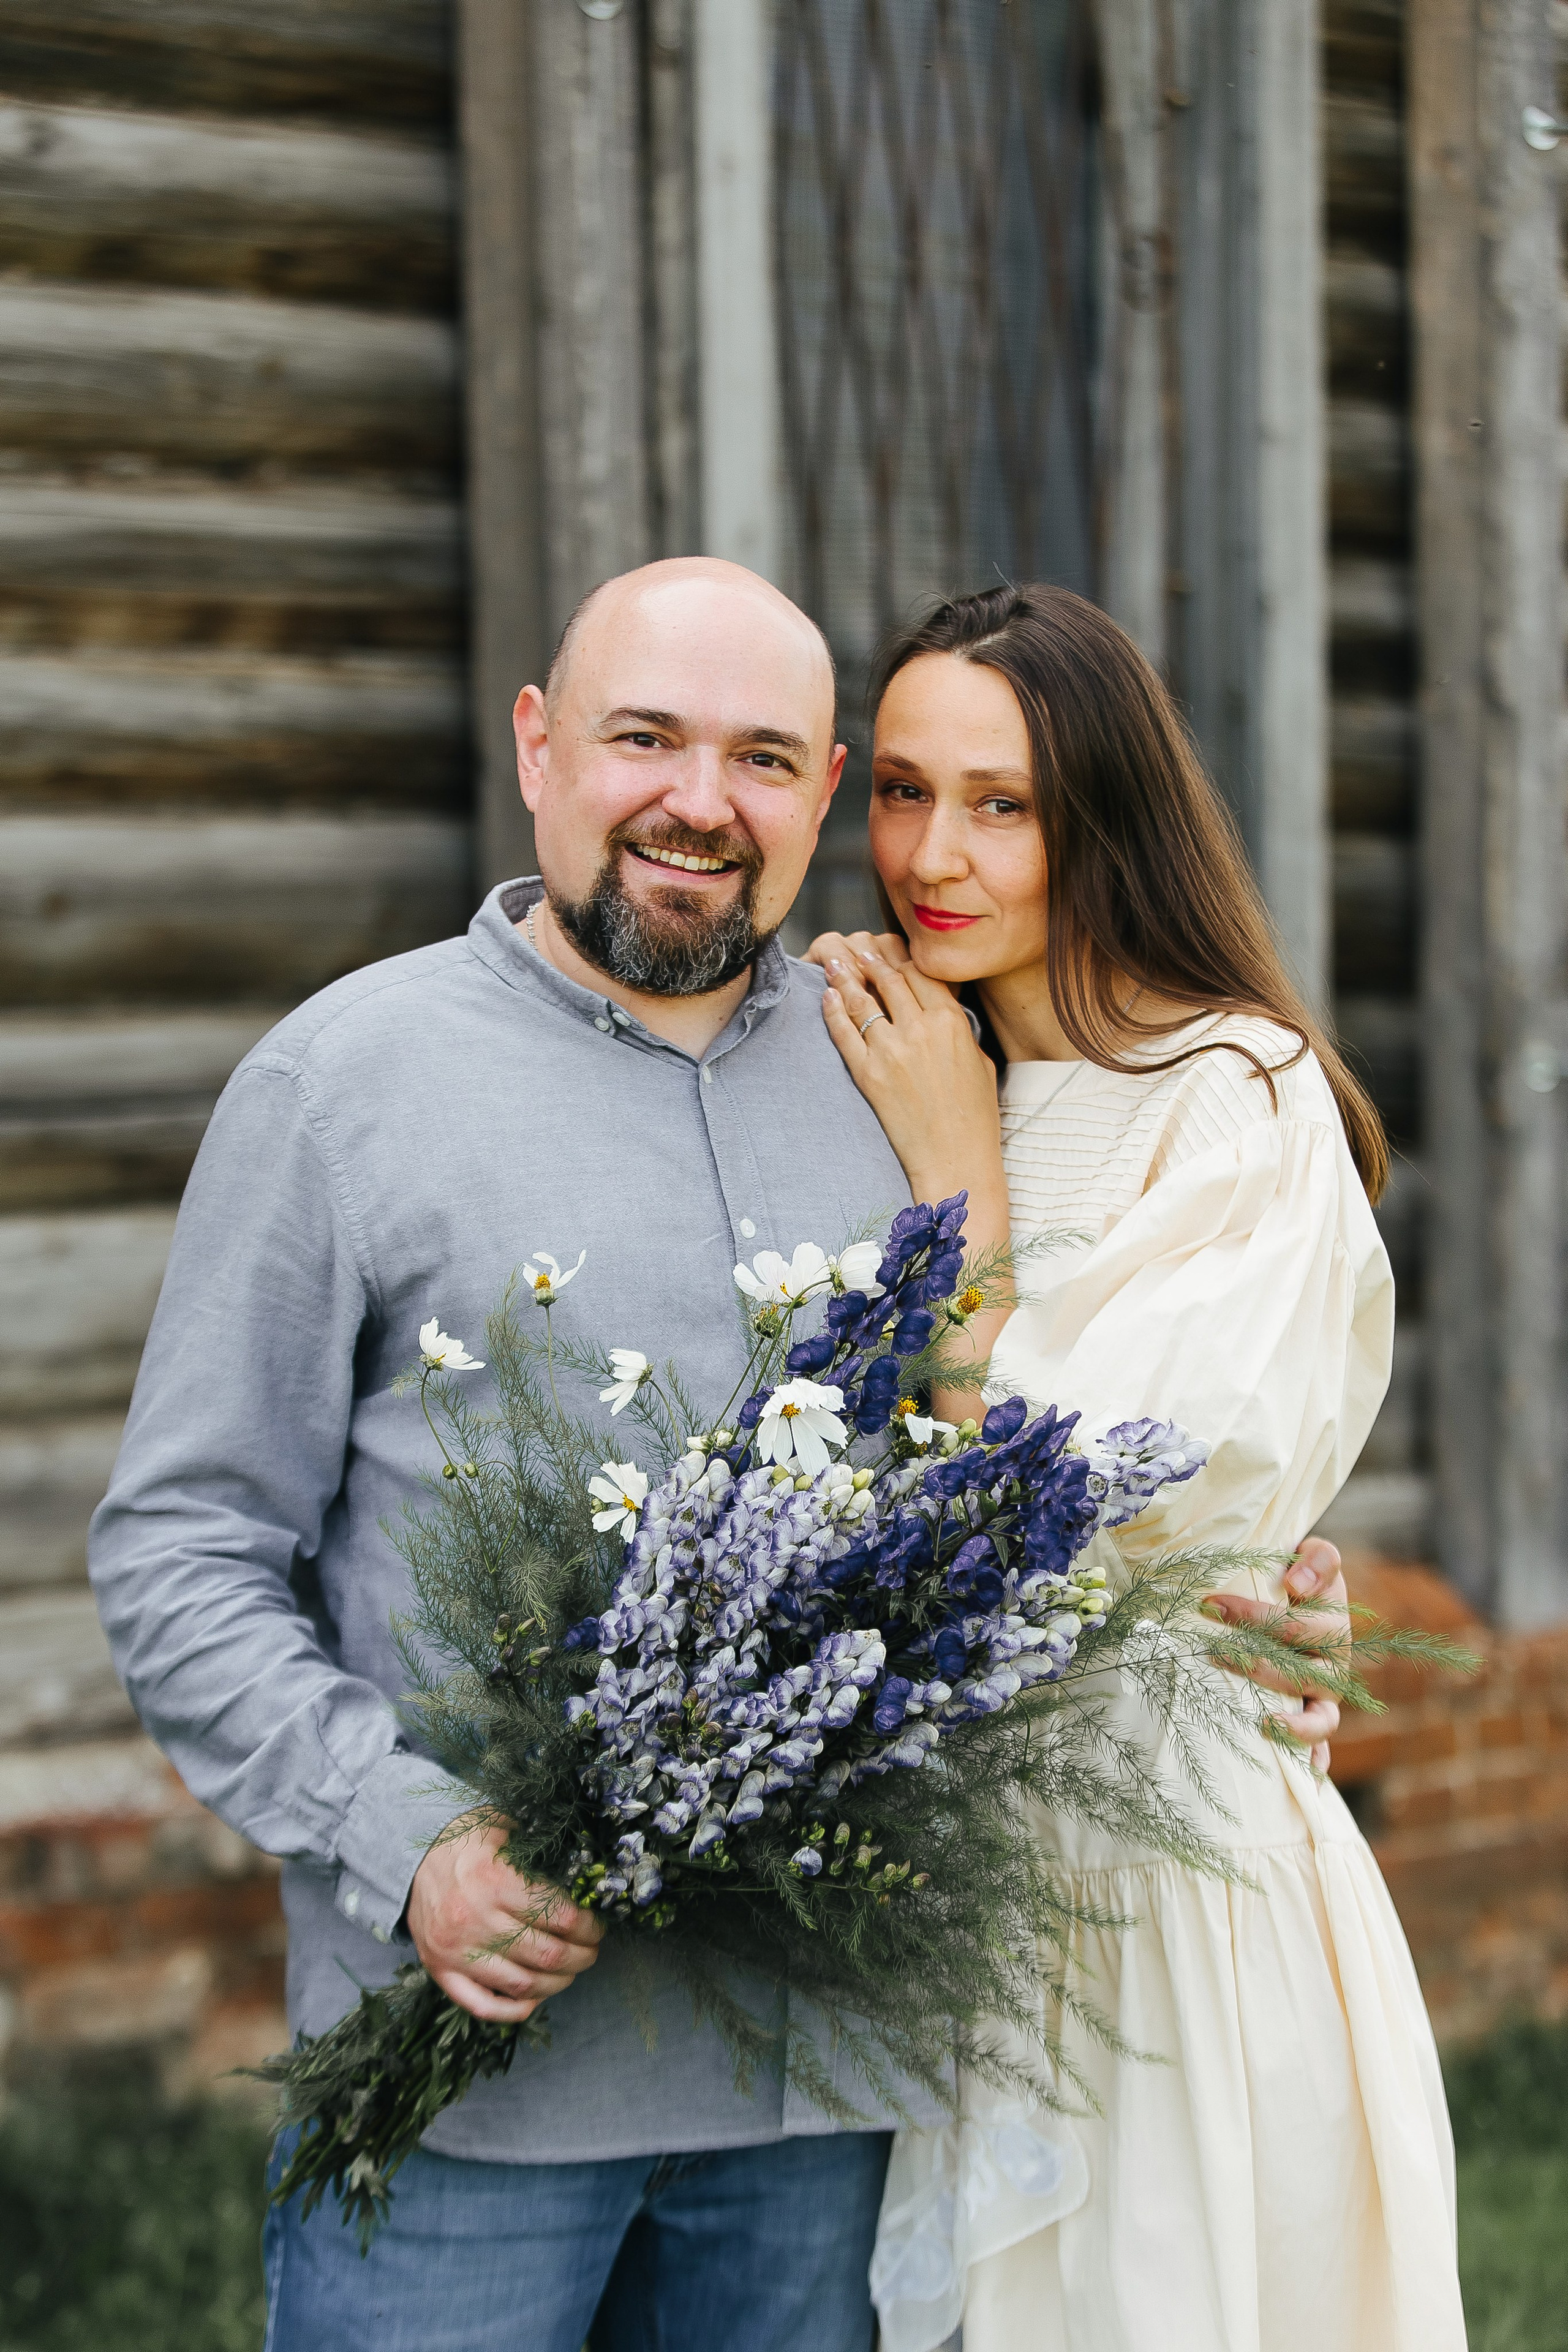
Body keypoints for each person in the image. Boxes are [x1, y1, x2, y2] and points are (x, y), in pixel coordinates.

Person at [89, 559, 1349, 2352]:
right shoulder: (340, 1085)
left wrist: (1272, 1586)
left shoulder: (915, 1061)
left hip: (830, 2107)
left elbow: (1073, 1407)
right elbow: (182, 1552)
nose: (700, 798)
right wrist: (416, 1842)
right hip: (481, 2108)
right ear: (538, 748)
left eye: (763, 756)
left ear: (823, 795)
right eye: (644, 738)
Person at [806, 582, 1465, 2352]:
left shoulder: (1235, 1098)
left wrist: (963, 1189)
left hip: (1156, 1880)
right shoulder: (868, 1041)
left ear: (1104, 816)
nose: (934, 854)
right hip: (922, 1884)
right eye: (904, 790)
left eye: (1004, 805)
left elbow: (1049, 1523)